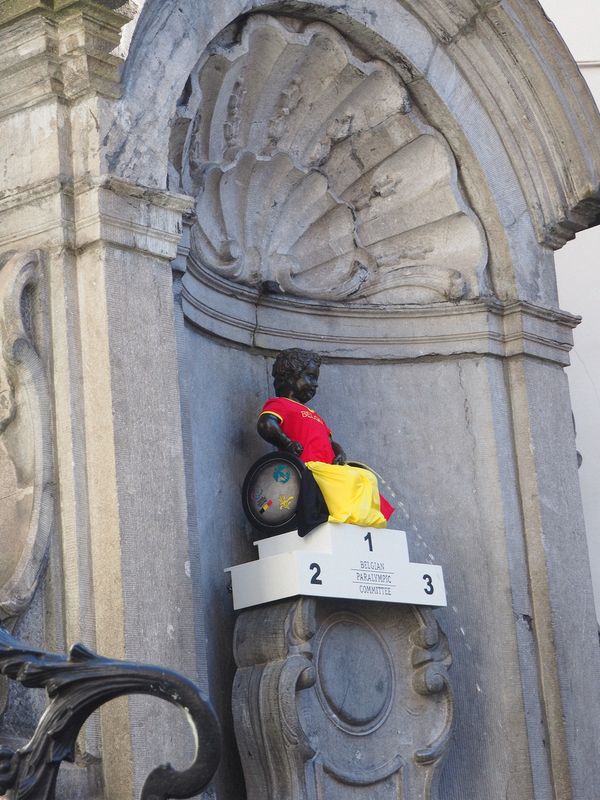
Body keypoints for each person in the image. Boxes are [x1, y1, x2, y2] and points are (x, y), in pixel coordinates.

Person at [257, 348, 391, 531]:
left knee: (366, 477)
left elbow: (329, 440)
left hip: (328, 468)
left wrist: (340, 452)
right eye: (310, 377)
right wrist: (286, 442)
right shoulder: (281, 405)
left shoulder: (314, 415)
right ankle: (347, 516)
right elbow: (266, 424)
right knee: (352, 479)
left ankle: (361, 521)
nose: (315, 384)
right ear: (289, 376)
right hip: (309, 468)